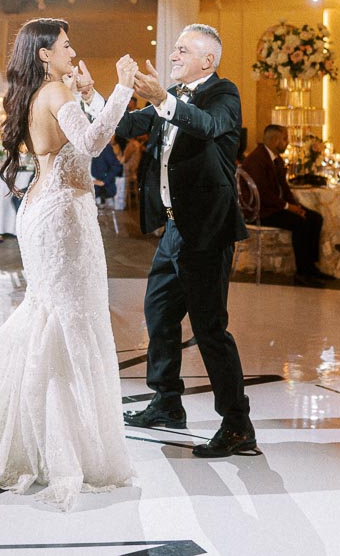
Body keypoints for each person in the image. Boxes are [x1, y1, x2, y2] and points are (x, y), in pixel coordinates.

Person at [0, 18, 137, 510]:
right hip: (63, 218)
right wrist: (121, 90)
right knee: (72, 320)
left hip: (50, 211)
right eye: (67, 45)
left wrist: (88, 94)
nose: (74, 51)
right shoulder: (51, 93)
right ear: (45, 53)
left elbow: (76, 140)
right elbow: (90, 145)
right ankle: (59, 448)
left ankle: (36, 439)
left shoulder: (44, 93)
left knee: (55, 316)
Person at [117, 23, 255, 459]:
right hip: (174, 229)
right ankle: (167, 402)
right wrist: (90, 96)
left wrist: (162, 97)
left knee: (210, 329)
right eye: (174, 50)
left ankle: (237, 425)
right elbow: (124, 124)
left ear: (207, 61)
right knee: (159, 313)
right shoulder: (170, 101)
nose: (172, 56)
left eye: (181, 50)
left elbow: (208, 125)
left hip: (207, 232)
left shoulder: (223, 93)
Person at [241, 124, 325, 285]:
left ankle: (311, 267)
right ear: (274, 140)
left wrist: (297, 207)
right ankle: (302, 273)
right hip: (261, 211)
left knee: (315, 218)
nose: (288, 142)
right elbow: (263, 194)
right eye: (285, 138)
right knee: (301, 224)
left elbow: (284, 189)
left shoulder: (276, 159)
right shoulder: (257, 159)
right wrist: (288, 208)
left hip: (274, 207)